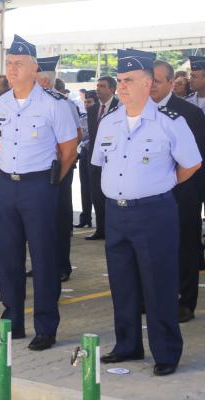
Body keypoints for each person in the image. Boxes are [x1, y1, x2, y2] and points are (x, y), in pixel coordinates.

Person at [95, 49, 201, 377]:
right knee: (123, 283)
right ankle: (127, 344)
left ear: (147, 83)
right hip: (117, 213)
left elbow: (192, 163)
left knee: (159, 285)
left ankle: (166, 351)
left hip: (154, 212)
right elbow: (101, 163)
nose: (121, 86)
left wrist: (163, 183)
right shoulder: (109, 122)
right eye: (119, 81)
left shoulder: (171, 122)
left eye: (128, 81)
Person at [0, 35, 77, 350]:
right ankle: (13, 323)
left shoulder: (54, 104)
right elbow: (0, 143)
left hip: (40, 186)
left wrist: (51, 184)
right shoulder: (0, 104)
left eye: (19, 64)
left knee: (44, 258)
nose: (12, 69)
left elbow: (68, 151)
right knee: (8, 256)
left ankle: (46, 327)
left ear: (34, 68)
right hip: (6, 184)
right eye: (8, 63)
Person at [151, 59, 205, 323]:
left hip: (183, 193)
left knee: (185, 248)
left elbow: (197, 160)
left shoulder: (189, 113)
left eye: (157, 81)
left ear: (172, 83)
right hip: (148, 196)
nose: (151, 86)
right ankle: (153, 298)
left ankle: (185, 301)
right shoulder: (136, 110)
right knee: (152, 248)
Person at [35, 56, 82, 282]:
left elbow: (77, 135)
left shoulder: (63, 104)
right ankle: (41, 264)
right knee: (39, 221)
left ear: (43, 81)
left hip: (58, 167)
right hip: (37, 170)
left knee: (59, 218)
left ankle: (62, 265)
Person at [86, 76, 118, 240]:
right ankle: (101, 229)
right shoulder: (93, 110)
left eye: (102, 86)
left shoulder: (120, 107)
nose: (98, 89)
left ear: (112, 89)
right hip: (95, 160)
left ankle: (113, 230)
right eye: (97, 85)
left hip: (113, 160)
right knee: (97, 195)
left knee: (111, 196)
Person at [76, 90, 98, 229]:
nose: (86, 105)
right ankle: (85, 218)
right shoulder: (83, 117)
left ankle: (100, 221)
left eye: (89, 102)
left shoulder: (100, 117)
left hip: (95, 154)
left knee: (94, 188)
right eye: (85, 102)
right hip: (84, 152)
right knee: (84, 187)